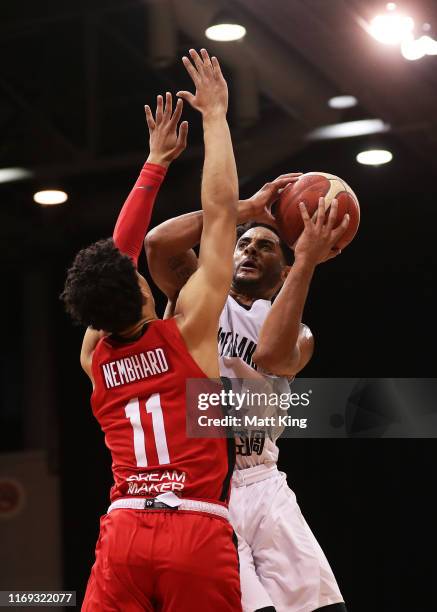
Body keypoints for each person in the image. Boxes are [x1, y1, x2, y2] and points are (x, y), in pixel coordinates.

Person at [61, 49, 243, 611]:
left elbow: (119, 256)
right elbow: (219, 215)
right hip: (195, 527)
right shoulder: (187, 332)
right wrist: (215, 116)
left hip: (123, 538)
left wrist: (155, 162)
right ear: (141, 289)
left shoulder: (96, 357)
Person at [144, 183, 350, 611]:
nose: (250, 250)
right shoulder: (197, 296)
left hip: (263, 477)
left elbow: (271, 355)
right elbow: (158, 243)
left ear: (286, 266)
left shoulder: (301, 333)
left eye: (266, 246)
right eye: (243, 243)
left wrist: (307, 260)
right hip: (203, 480)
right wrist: (243, 211)